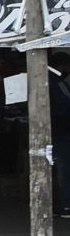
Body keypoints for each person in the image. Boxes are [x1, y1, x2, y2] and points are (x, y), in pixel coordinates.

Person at [49, 52, 70, 219]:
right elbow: (65, 106)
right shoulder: (56, 81)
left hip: (55, 129)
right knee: (64, 168)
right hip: (61, 131)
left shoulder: (45, 78)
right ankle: (66, 205)